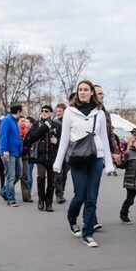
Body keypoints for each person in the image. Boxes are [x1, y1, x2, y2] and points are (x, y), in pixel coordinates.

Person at [53, 80, 114, 248]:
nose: (83, 92)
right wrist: (58, 163)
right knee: (80, 195)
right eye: (80, 90)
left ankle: (88, 233)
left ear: (92, 93)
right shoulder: (69, 112)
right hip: (78, 157)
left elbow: (105, 139)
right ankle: (72, 219)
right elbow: (64, 139)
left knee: (92, 198)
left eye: (86, 90)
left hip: (95, 158)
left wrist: (108, 163)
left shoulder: (99, 113)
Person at [26, 104, 61, 212]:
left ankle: (49, 203)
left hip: (52, 156)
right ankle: (41, 200)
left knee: (51, 181)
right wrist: (44, 127)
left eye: (46, 111)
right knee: (41, 177)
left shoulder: (57, 125)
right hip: (40, 156)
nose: (44, 113)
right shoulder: (36, 124)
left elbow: (64, 141)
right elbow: (30, 138)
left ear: (51, 113)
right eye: (42, 111)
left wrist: (57, 141)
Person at [94, 85, 122, 177]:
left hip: (99, 153)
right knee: (81, 188)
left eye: (102, 94)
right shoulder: (83, 113)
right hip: (83, 153)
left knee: (93, 188)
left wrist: (115, 151)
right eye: (99, 94)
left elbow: (110, 133)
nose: (102, 96)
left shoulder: (105, 113)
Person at [0, 104, 24, 207]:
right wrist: (5, 150)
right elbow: (3, 136)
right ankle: (11, 199)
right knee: (11, 176)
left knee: (18, 174)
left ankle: (4, 191)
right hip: (9, 153)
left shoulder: (14, 122)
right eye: (21, 112)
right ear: (18, 111)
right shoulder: (7, 120)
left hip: (16, 153)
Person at [54, 102, 70, 204]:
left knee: (65, 173)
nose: (58, 113)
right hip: (58, 152)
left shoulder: (68, 122)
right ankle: (58, 194)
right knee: (58, 174)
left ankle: (61, 192)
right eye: (57, 111)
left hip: (68, 152)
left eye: (60, 111)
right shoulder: (55, 123)